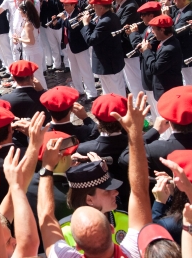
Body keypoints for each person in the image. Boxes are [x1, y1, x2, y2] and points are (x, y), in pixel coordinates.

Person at [38, 92, 153, 258]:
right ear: (112, 229)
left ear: (76, 246)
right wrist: (134, 134)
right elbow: (140, 191)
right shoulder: (133, 251)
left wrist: (47, 165)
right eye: (107, 191)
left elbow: (46, 216)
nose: (115, 192)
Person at [51, 0, 98, 102]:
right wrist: (54, 23)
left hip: (80, 46)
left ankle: (92, 92)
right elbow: (60, 26)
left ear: (73, 5)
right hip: (69, 45)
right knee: (74, 69)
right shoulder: (67, 15)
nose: (64, 7)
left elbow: (72, 27)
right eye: (63, 5)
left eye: (67, 5)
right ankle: (79, 89)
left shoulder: (78, 15)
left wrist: (63, 19)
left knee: (85, 69)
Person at [80, 0, 126, 96]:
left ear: (101, 8)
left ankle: (120, 110)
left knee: (114, 92)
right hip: (112, 62)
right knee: (113, 91)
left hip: (108, 64)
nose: (93, 9)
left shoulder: (105, 21)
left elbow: (91, 40)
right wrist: (90, 23)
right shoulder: (111, 16)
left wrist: (86, 25)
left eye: (95, 7)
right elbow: (100, 32)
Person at [139, 14, 183, 101]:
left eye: (154, 29)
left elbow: (155, 68)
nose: (152, 32)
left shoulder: (169, 48)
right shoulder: (166, 42)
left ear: (162, 30)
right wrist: (150, 50)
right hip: (163, 90)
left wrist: (147, 51)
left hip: (167, 91)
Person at [14, 0, 47, 86]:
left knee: (37, 76)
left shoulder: (28, 24)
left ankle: (44, 92)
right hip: (31, 52)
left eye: (21, 10)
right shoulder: (29, 21)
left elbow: (31, 41)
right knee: (34, 76)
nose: (20, 12)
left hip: (32, 53)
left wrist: (19, 39)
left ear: (25, 11)